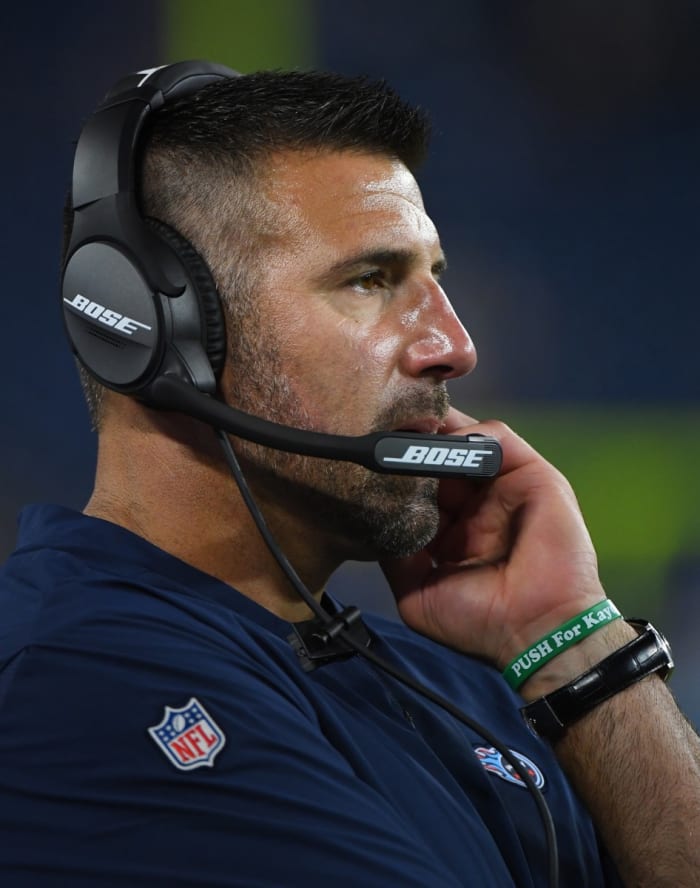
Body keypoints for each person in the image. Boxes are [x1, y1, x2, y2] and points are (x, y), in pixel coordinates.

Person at [0, 61, 697, 888]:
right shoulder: (79, 681)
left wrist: (573, 641)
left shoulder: (445, 679)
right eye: (371, 280)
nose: (455, 346)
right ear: (158, 330)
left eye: (435, 278)